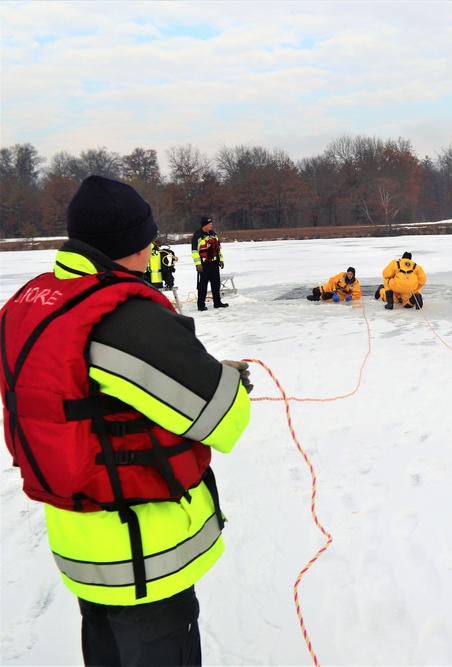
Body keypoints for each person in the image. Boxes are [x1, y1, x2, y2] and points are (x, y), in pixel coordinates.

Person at [0, 175, 253, 665]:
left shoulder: (30, 304)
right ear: (135, 245)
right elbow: (223, 419)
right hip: (142, 557)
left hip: (81, 544)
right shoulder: (123, 319)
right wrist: (231, 384)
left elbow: (87, 393)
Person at [191, 216, 227, 311]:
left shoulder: (213, 234)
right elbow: (194, 252)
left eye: (211, 223)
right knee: (203, 286)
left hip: (214, 263)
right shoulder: (197, 236)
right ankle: (201, 305)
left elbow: (218, 248)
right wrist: (198, 264)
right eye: (209, 224)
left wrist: (221, 260)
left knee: (216, 284)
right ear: (204, 225)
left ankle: (217, 302)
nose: (211, 225)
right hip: (204, 265)